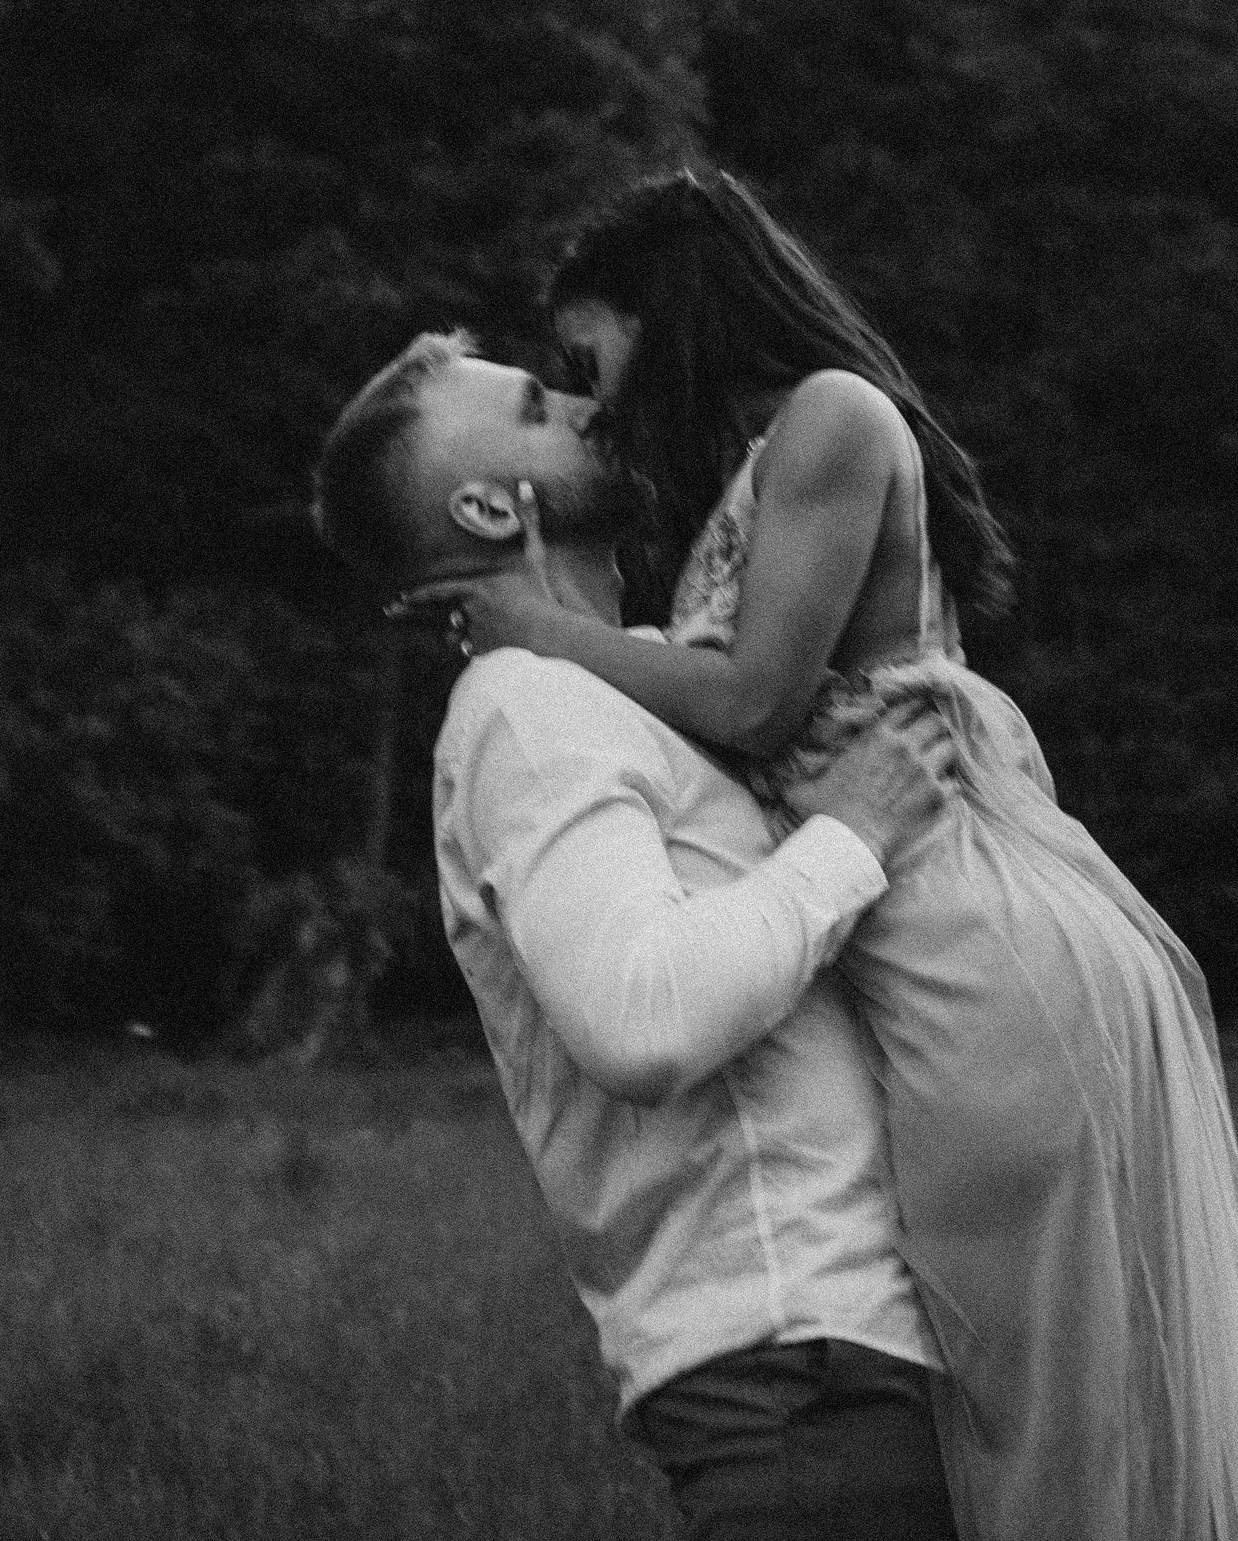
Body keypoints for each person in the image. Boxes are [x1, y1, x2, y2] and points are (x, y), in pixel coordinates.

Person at [410, 169, 1238, 1541]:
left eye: (589, 363)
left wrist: (539, 630)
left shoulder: (833, 419)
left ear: (671, 314)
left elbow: (754, 703)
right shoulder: (756, 480)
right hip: (908, 942)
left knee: (1052, 1404)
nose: (596, 404)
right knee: (1010, 1405)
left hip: (971, 942)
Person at [313, 329, 964, 1541]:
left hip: (853, 1359)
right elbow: (642, 1019)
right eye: (537, 408)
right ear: (488, 508)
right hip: (795, 1374)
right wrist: (852, 836)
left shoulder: (637, 687)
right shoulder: (529, 713)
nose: (584, 404)